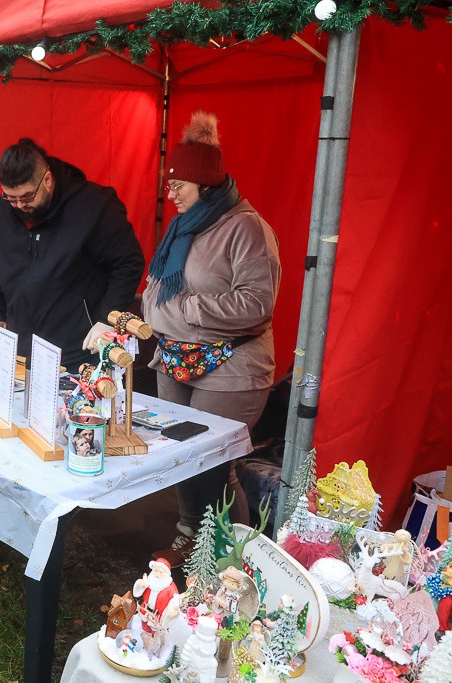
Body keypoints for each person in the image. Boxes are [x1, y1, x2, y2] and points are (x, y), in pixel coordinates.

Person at [141, 112, 281, 566]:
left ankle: (231, 562)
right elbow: (161, 282)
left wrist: (184, 312)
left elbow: (257, 304)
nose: (171, 192)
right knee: (182, 455)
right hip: (175, 357)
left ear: (204, 183)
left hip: (231, 364)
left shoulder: (246, 228)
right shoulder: (186, 223)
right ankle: (191, 539)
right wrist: (150, 307)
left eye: (179, 184)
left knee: (215, 466)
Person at [0, 138, 144, 369]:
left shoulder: (94, 206)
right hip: (22, 346)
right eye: (10, 197)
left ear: (46, 180)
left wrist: (109, 318)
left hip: (80, 347)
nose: (18, 205)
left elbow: (128, 262)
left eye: (27, 197)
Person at [130, 557, 181, 636]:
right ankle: (145, 637)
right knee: (145, 628)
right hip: (146, 611)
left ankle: (156, 643)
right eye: (156, 571)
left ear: (166, 573)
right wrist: (140, 584)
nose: (157, 574)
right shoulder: (149, 579)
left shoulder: (169, 586)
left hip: (158, 617)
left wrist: (175, 609)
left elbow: (175, 598)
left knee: (157, 633)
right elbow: (139, 587)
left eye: (161, 572)